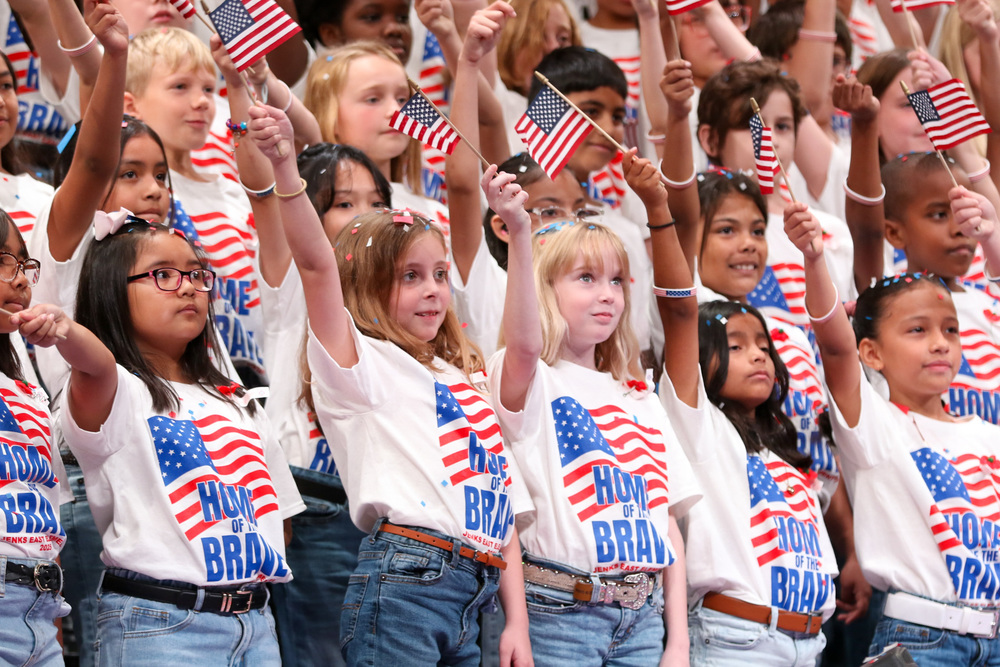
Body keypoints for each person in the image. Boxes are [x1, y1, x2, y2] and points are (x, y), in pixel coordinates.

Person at [246, 90, 533, 665]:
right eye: (409, 276)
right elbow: (316, 264)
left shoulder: (461, 375)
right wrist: (283, 165)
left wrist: (520, 234)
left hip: (476, 592)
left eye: (439, 273)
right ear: (369, 289)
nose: (433, 289)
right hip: (405, 576)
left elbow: (500, 497)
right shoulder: (360, 364)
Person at [16, 216, 303, 665]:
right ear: (111, 291)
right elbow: (96, 365)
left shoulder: (236, 398)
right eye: (163, 275)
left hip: (256, 621)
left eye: (196, 274)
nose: (189, 287)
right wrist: (64, 329)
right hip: (161, 622)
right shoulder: (116, 391)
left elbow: (276, 514)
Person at [482, 152, 698, 664]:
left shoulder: (637, 393)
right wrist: (518, 234)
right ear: (544, 289)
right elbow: (527, 344)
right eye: (585, 279)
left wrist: (679, 641)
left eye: (616, 280)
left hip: (641, 619)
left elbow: (665, 522)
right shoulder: (529, 376)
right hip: (555, 610)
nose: (607, 295)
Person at [787, 185, 1000, 665]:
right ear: (873, 353)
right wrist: (815, 259)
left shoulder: (990, 435)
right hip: (922, 640)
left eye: (950, 329)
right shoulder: (873, 426)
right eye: (917, 330)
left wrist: (990, 237)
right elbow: (835, 345)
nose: (940, 343)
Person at [653, 158, 838, 663]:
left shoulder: (783, 452)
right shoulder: (698, 425)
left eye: (763, 346)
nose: (758, 353)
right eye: (735, 346)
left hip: (808, 640)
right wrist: (657, 207)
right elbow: (678, 306)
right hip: (737, 639)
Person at [123, 27, 265, 385]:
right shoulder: (139, 195)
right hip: (180, 375)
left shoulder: (231, 188)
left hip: (253, 367)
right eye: (180, 87)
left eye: (207, 88)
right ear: (130, 104)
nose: (202, 101)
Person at [0, 208, 70, 667]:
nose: (23, 278)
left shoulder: (26, 385)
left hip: (38, 606)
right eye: (4, 261)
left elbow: (48, 501)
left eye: (25, 264)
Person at [303, 40, 450, 232]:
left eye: (402, 99)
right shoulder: (307, 213)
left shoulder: (436, 216)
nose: (395, 110)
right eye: (373, 99)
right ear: (328, 113)